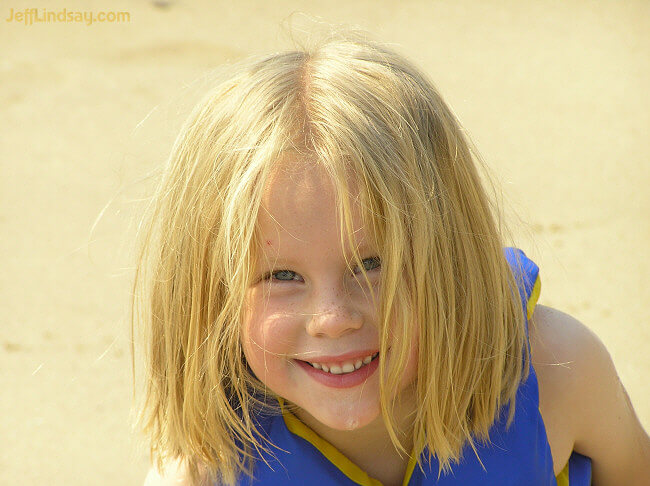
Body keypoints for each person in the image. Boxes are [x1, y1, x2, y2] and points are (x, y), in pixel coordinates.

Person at [134, 29, 650, 486]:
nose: (333, 319)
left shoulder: (557, 372)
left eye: (372, 265)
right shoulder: (206, 460)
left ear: (452, 256)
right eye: (283, 276)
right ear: (211, 293)